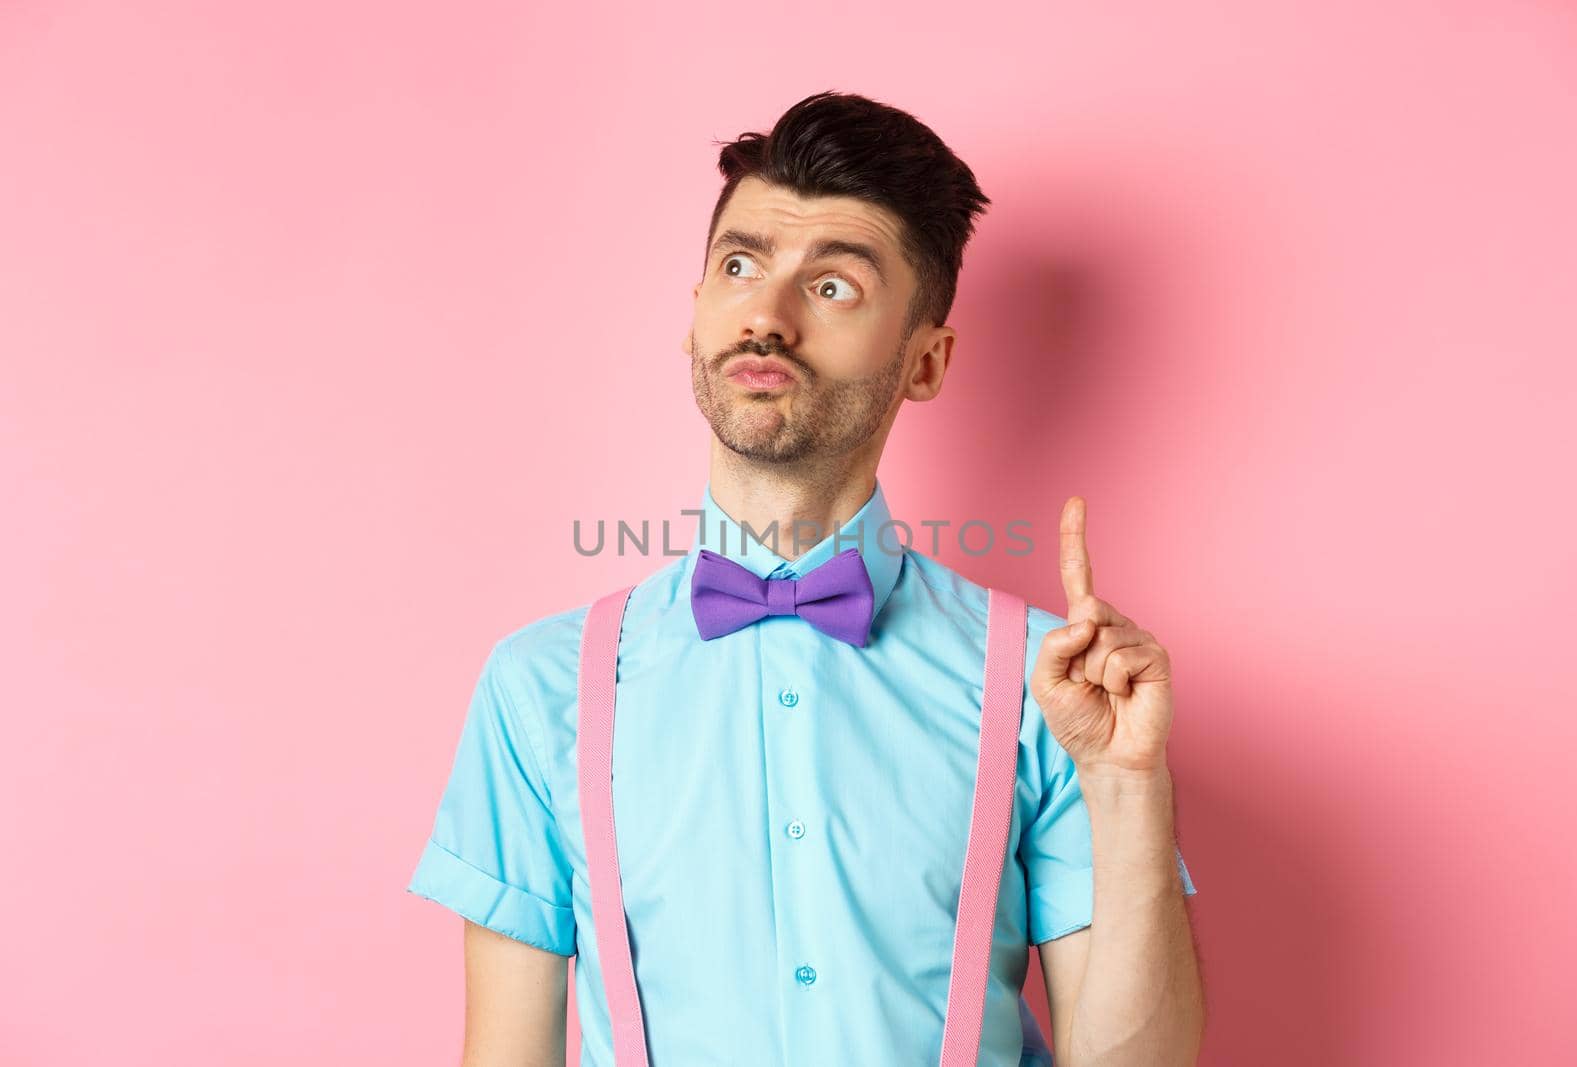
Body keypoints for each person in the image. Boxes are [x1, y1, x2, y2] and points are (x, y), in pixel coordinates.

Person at [406, 89, 1205, 1066]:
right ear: (695, 314)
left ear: (925, 361)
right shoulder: (540, 686)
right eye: (738, 267)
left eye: (833, 286)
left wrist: (1126, 783)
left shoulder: (1054, 685)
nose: (767, 317)